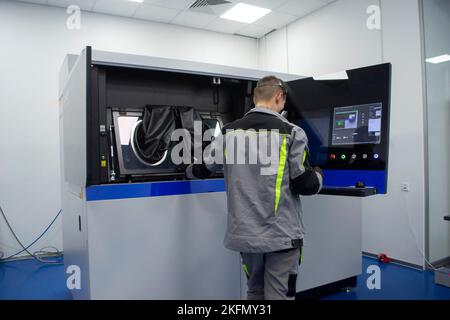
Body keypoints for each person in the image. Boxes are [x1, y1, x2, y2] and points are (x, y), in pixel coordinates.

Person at [186, 76, 323, 300]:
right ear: (279, 96)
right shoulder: (292, 133)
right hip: (282, 236)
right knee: (279, 295)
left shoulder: (229, 133)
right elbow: (304, 183)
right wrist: (319, 174)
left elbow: (204, 167)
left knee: (255, 292)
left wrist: (187, 172)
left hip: (246, 236)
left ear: (254, 97)